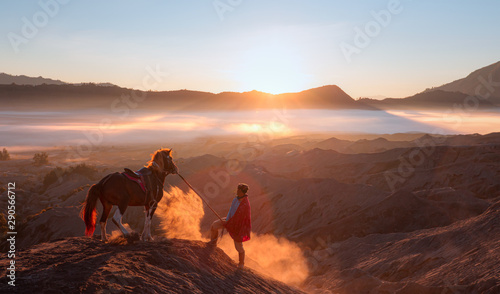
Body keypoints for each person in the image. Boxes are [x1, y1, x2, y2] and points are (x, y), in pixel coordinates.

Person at [208, 183, 251, 269]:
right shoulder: (235, 199)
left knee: (238, 246)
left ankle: (241, 263)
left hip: (238, 226)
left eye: (239, 190)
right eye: (237, 189)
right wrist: (227, 221)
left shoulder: (245, 205)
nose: (237, 191)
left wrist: (230, 224)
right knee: (214, 226)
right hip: (229, 220)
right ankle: (213, 244)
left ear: (243, 192)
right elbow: (231, 211)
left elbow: (243, 219)